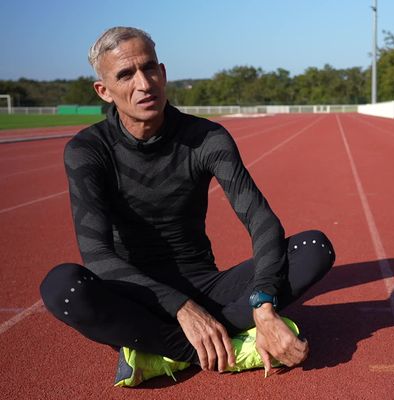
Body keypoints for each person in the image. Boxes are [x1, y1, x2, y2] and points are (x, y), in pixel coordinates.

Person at [39, 26, 335, 387]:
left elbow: (261, 220)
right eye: (126, 74)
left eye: (149, 69)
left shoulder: (206, 138)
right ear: (104, 90)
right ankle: (228, 349)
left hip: (208, 286)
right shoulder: (89, 150)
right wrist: (180, 307)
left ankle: (156, 350)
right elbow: (97, 253)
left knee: (314, 248)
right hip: (136, 295)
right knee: (62, 287)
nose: (144, 84)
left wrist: (263, 303)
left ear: (163, 73)